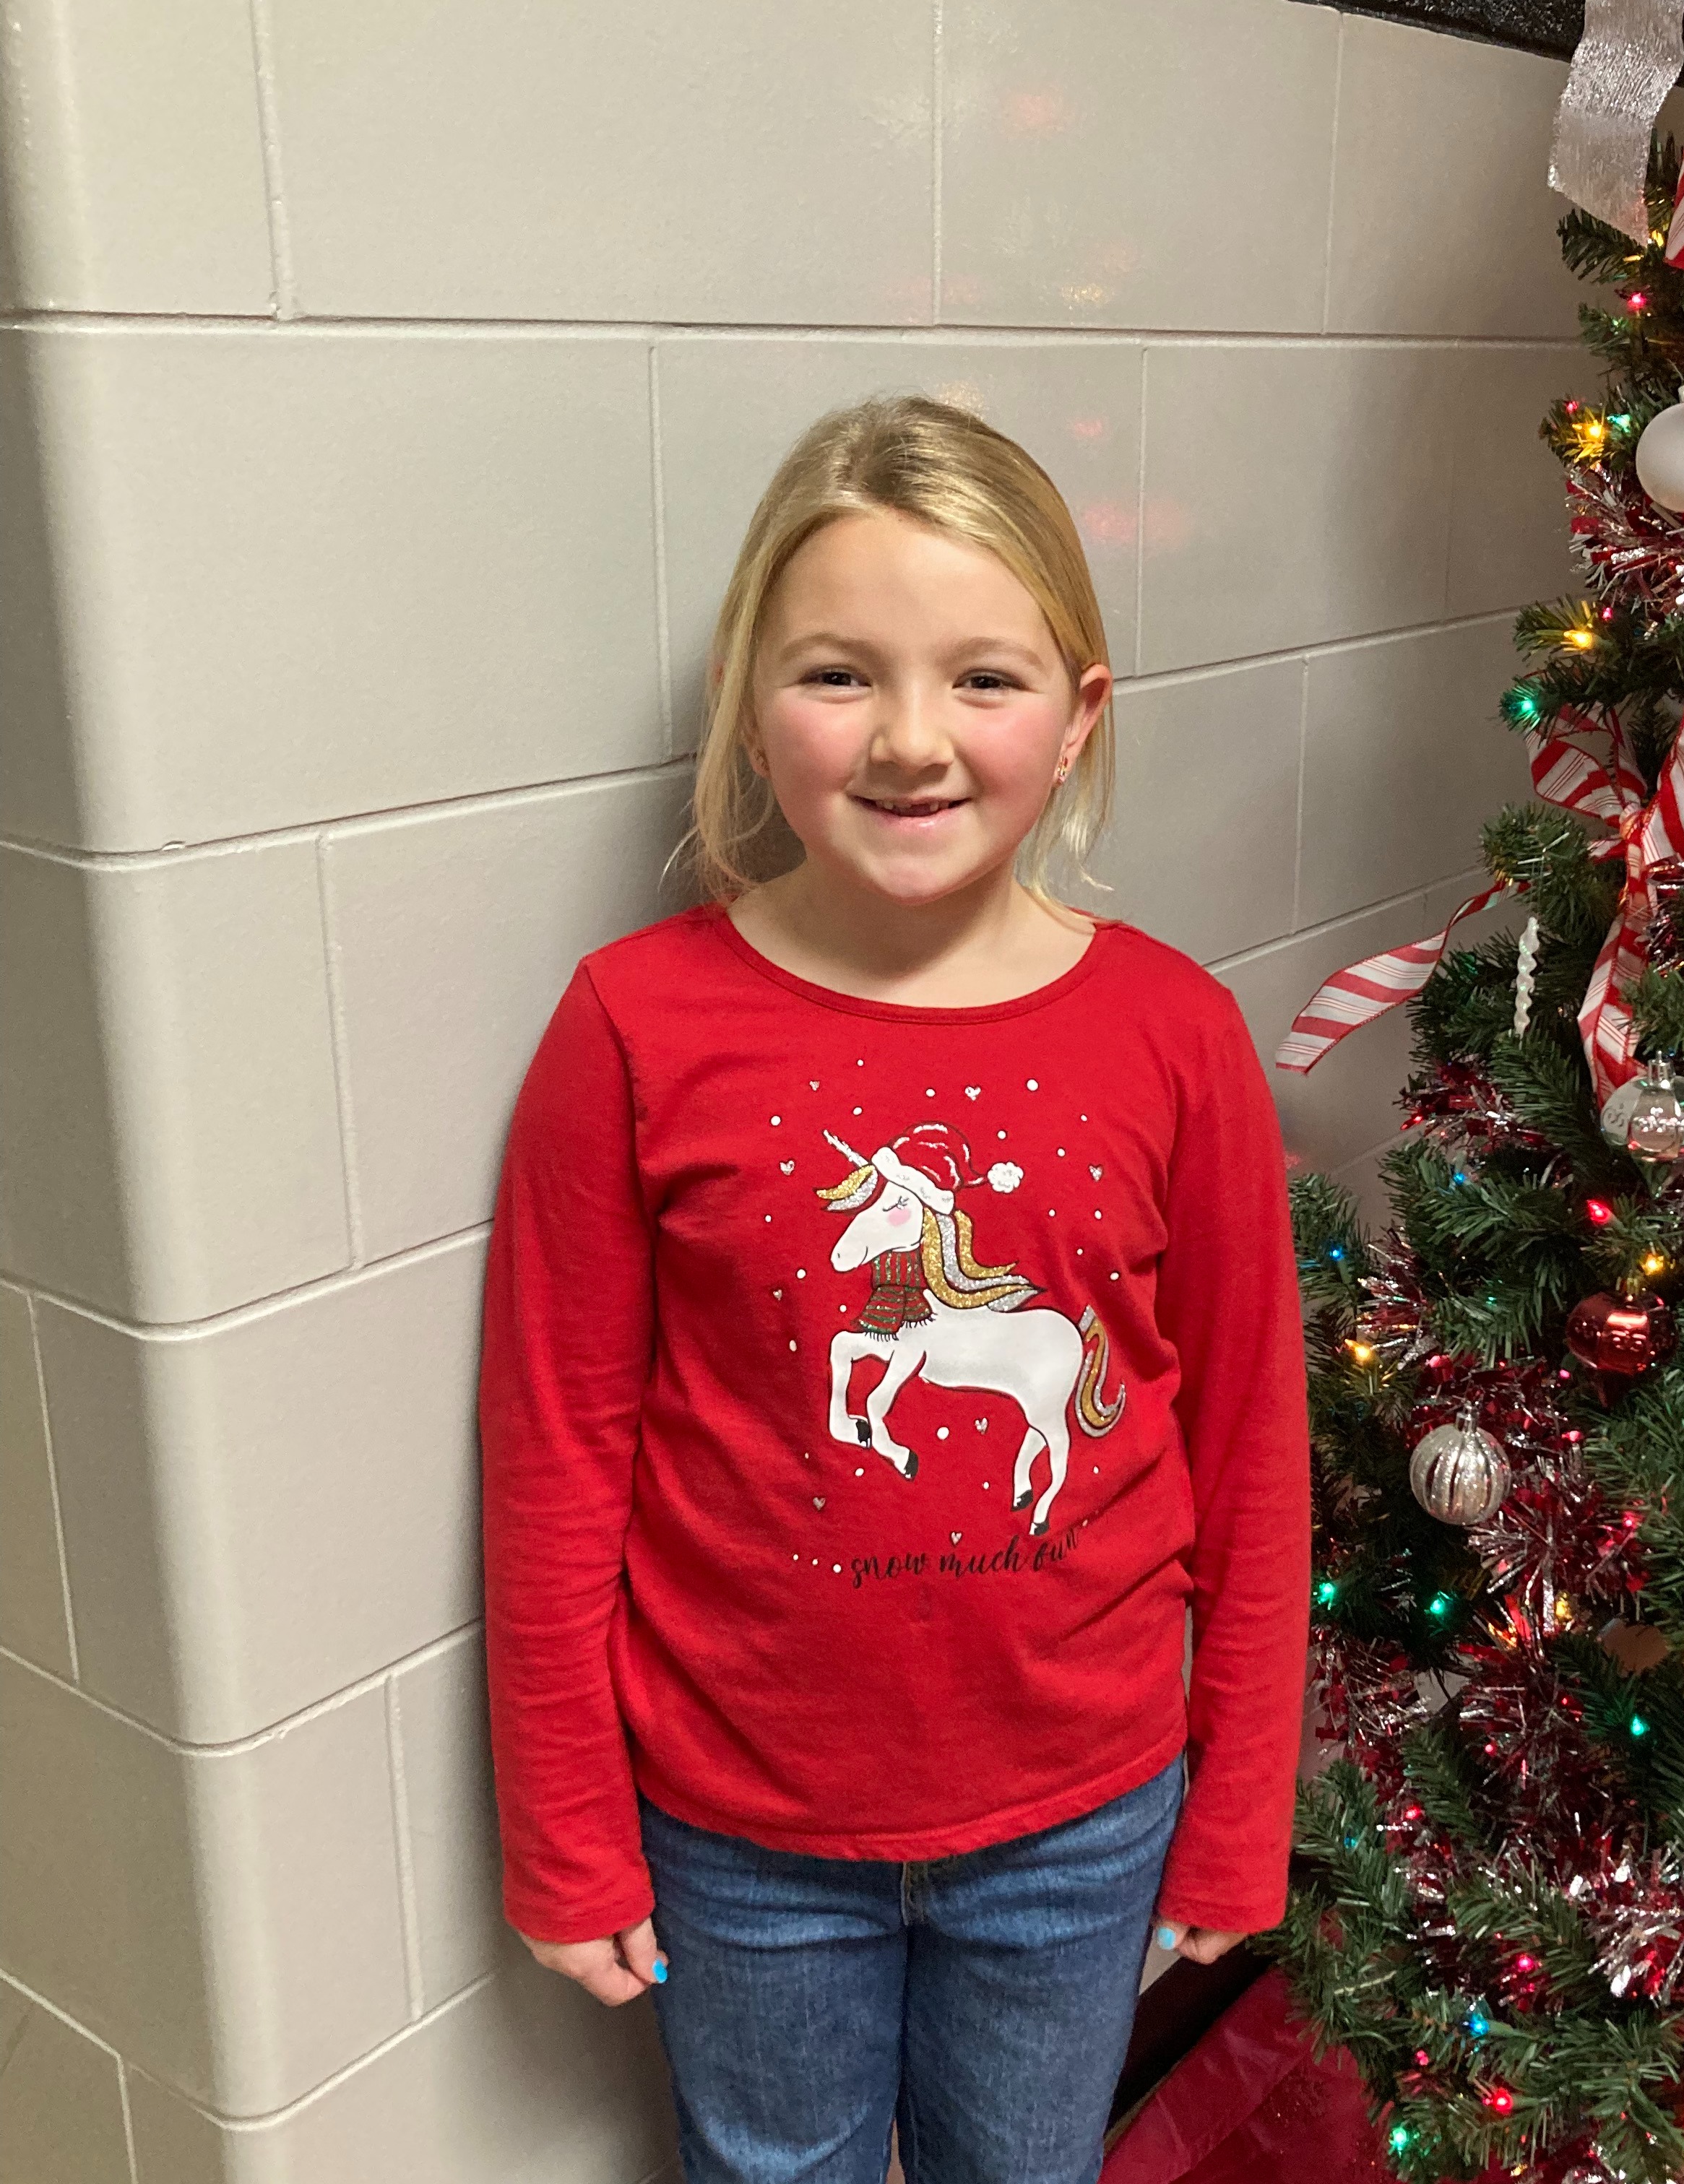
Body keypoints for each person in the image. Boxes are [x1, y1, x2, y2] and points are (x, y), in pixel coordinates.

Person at [480, 393, 1311, 2184]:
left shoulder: (1176, 1035)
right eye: (841, 674)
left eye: (985, 681)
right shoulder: (631, 1028)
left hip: (1082, 1818)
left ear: (1081, 715)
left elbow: (1250, 1451)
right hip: (739, 1827)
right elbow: (557, 1459)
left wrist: (1236, 1812)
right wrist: (565, 1827)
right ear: (750, 707)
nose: (913, 742)